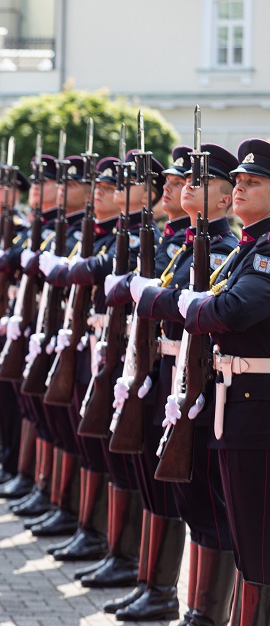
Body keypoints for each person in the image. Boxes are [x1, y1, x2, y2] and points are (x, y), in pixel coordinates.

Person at [180, 138, 270, 625]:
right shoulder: (249, 248)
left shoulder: (264, 253)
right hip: (233, 403)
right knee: (243, 537)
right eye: (237, 181)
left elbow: (233, 309)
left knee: (256, 541)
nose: (240, 188)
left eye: (252, 182)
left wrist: (186, 306)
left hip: (256, 409)